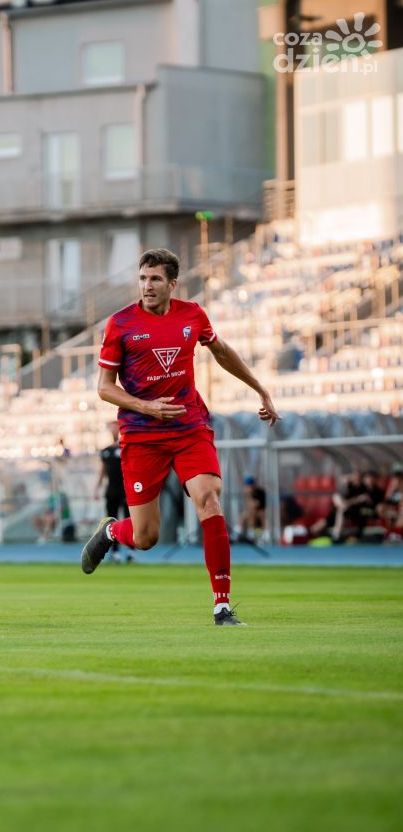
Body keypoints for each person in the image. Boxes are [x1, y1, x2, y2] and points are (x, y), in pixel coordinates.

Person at [80, 248, 280, 626]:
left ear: (172, 284)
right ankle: (110, 531)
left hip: (189, 428)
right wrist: (147, 406)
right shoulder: (120, 324)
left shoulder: (193, 315)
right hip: (142, 436)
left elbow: (220, 351)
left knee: (209, 498)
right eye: (142, 279)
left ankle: (222, 605)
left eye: (155, 279)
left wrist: (261, 390)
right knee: (146, 537)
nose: (147, 286)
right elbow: (105, 388)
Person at [96, 422, 132, 563]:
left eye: (115, 427)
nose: (113, 430)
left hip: (126, 490)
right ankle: (115, 552)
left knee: (129, 521)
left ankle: (130, 551)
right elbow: (103, 470)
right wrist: (97, 487)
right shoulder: (106, 451)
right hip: (111, 491)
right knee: (112, 521)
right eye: (111, 427)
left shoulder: (126, 448)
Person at [238, 476, 267, 542]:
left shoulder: (259, 492)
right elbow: (250, 506)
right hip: (253, 511)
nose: (247, 487)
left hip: (261, 510)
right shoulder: (249, 493)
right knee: (245, 515)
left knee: (260, 514)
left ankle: (266, 534)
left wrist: (250, 495)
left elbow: (257, 504)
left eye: (248, 486)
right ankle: (238, 533)